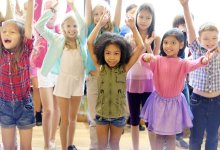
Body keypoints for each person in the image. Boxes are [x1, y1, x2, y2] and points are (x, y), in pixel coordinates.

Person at [140, 28, 214, 150]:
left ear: (181, 45)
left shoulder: (183, 63)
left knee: (171, 136)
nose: (168, 46)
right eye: (166, 42)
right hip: (158, 102)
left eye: (173, 43)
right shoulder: (157, 60)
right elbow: (144, 61)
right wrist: (145, 57)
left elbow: (196, 63)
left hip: (174, 104)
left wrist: (204, 60)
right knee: (158, 135)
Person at [87, 10, 144, 150]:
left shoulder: (124, 69)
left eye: (116, 53)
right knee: (101, 146)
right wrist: (99, 25)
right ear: (102, 53)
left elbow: (141, 47)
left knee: (114, 145)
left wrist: (133, 27)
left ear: (122, 54)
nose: (112, 57)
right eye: (108, 53)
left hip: (119, 116)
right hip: (101, 116)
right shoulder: (100, 67)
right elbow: (89, 43)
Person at [36, 0, 87, 149]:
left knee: (73, 119)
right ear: (63, 27)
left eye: (75, 25)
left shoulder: (81, 41)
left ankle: (71, 145)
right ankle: (64, 147)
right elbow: (39, 26)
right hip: (63, 84)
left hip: (78, 83)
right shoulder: (57, 39)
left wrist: (74, 7)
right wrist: (51, 11)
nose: (72, 29)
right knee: (64, 120)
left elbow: (83, 24)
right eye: (68, 25)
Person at [179, 0, 220, 150]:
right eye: (206, 38)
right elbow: (190, 29)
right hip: (198, 101)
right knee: (195, 137)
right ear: (200, 39)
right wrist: (185, 6)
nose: (211, 42)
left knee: (213, 136)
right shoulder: (196, 50)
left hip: (217, 101)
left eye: (214, 38)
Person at [85, 0, 122, 149]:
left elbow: (118, 11)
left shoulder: (113, 29)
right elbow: (90, 42)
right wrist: (98, 23)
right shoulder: (91, 29)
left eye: (102, 13)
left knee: (108, 117)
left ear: (109, 15)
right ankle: (95, 146)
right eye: (96, 14)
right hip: (93, 79)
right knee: (95, 117)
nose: (99, 16)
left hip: (109, 81)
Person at [125, 3, 160, 150]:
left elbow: (156, 62)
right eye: (141, 16)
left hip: (148, 83)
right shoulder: (128, 36)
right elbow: (127, 61)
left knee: (150, 121)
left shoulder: (156, 37)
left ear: (153, 20)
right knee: (134, 120)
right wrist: (136, 46)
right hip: (132, 81)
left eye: (148, 17)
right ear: (136, 16)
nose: (144, 20)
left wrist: (147, 46)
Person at [0, 0, 35, 149]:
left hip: (24, 105)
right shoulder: (1, 52)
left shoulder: (25, 51)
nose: (6, 34)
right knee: (8, 147)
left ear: (21, 38)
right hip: (4, 105)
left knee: (26, 148)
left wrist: (31, 3)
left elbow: (28, 26)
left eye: (12, 32)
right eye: (4, 32)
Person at [33, 0, 61, 149]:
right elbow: (39, 24)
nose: (51, 16)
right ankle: (46, 144)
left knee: (57, 108)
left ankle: (52, 138)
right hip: (43, 71)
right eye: (48, 12)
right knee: (48, 109)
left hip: (58, 72)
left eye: (54, 13)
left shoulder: (60, 30)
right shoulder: (39, 29)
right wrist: (49, 10)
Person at [172, 13, 190, 149]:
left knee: (185, 109)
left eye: (187, 24)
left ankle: (179, 136)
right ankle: (172, 138)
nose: (184, 27)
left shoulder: (189, 41)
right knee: (173, 111)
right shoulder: (173, 40)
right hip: (173, 84)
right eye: (182, 24)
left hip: (183, 81)